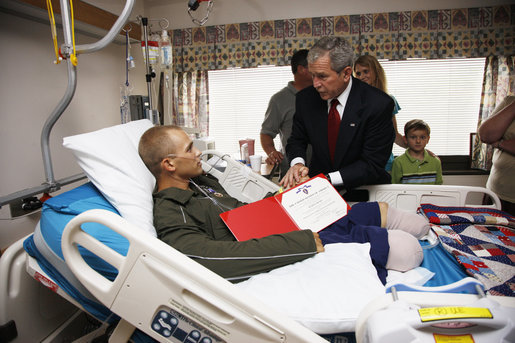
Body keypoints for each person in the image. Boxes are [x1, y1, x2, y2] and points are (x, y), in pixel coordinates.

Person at [138, 125, 428, 285]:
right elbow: (209, 259)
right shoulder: (170, 210)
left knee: (356, 211)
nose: (198, 151)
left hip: (282, 222)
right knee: (405, 250)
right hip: (283, 241)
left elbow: (243, 211)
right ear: (169, 164)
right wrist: (300, 243)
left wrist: (286, 198)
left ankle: (360, 216)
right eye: (190, 148)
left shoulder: (205, 182)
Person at [281, 37, 395, 194]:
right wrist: (297, 164)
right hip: (319, 194)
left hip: (364, 192)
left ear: (346, 73)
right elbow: (296, 140)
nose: (315, 84)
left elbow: (371, 164)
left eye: (322, 76)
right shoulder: (305, 99)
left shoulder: (378, 104)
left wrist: (326, 179)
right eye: (313, 75)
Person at [260, 49, 313, 178]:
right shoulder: (279, 100)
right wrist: (272, 153)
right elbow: (266, 133)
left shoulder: (323, 94)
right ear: (301, 69)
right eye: (313, 67)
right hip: (293, 173)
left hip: (323, 171)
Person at [353, 55, 407, 171]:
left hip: (384, 163)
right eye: (358, 73)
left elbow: (394, 135)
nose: (362, 77)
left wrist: (419, 149)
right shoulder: (352, 103)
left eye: (366, 71)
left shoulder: (388, 101)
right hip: (358, 164)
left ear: (376, 72)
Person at [478, 96, 515, 216]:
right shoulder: (509, 102)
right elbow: (486, 135)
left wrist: (500, 143)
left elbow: (493, 139)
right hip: (497, 191)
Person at [391, 119, 443, 185]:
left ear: (428, 139)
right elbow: (394, 188)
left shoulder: (435, 161)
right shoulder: (398, 162)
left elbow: (439, 188)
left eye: (422, 137)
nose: (418, 141)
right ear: (405, 139)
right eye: (413, 137)